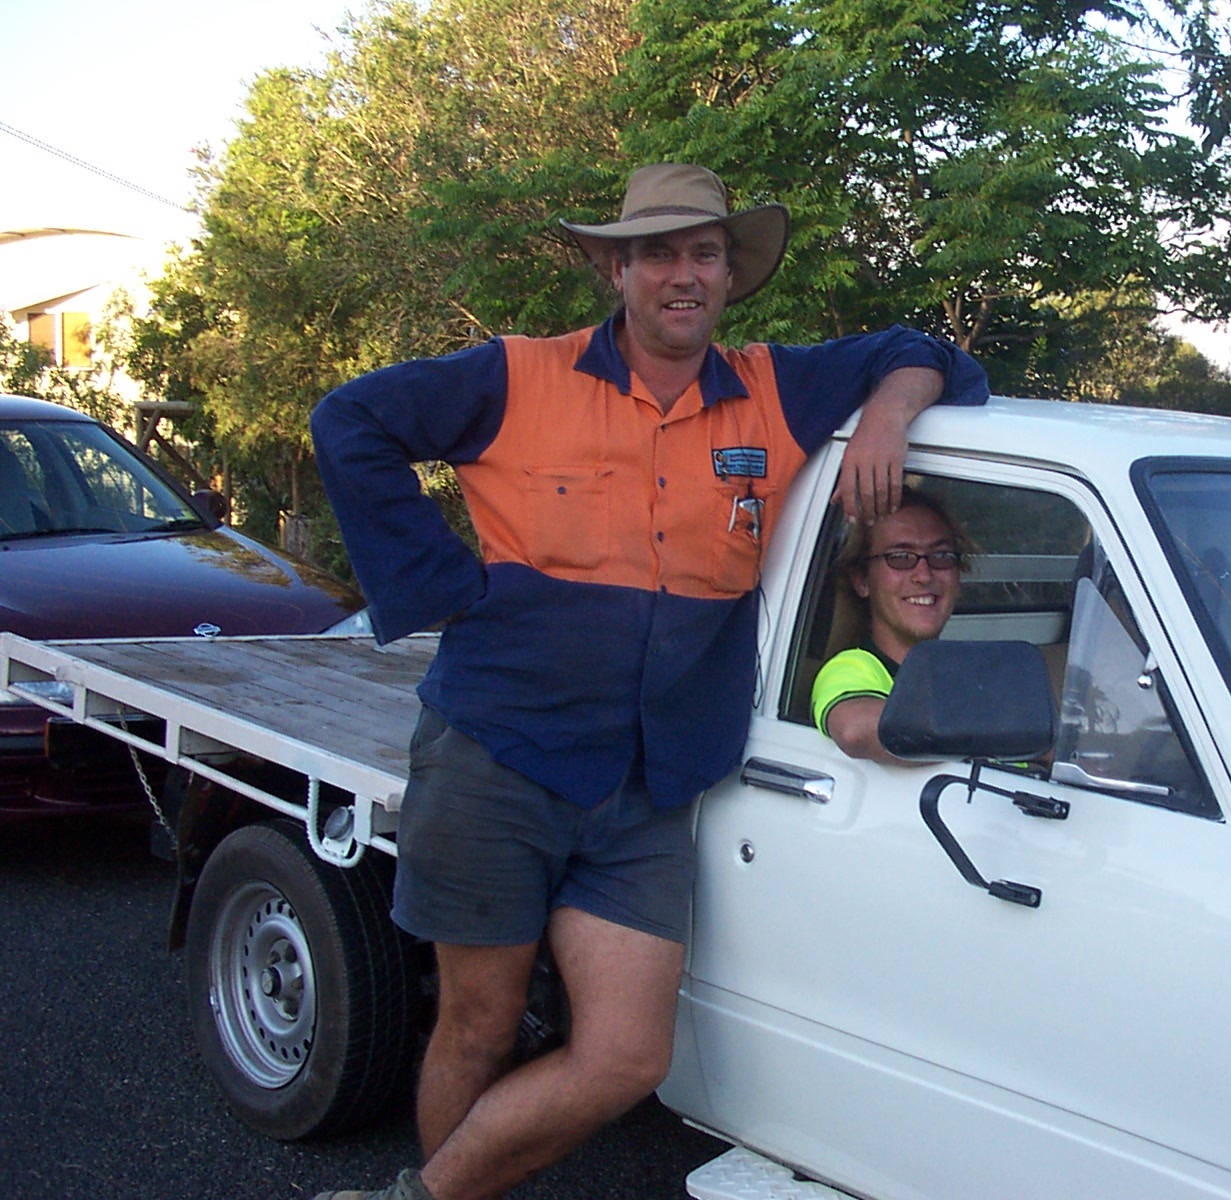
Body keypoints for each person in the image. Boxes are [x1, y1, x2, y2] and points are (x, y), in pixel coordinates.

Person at [309, 163, 987, 1200]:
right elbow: (349, 421)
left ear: (729, 273)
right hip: (498, 754)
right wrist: (442, 585)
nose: (684, 274)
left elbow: (924, 353)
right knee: (480, 1024)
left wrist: (891, 416)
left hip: (651, 786)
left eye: (704, 253)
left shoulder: (775, 386)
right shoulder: (516, 375)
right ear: (616, 269)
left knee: (629, 1056)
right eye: (659, 253)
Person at [811, 488, 971, 764]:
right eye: (900, 557)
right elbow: (854, 729)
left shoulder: (966, 674)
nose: (923, 575)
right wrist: (1018, 739)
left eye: (942, 556)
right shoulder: (852, 667)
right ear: (862, 580)